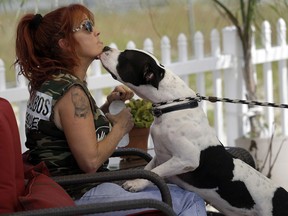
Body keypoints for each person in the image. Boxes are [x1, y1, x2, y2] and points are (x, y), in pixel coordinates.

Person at [15, 3, 207, 216]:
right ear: (65, 44)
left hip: (62, 190)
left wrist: (106, 108)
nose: (96, 31)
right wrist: (120, 127)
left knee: (173, 189)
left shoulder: (50, 84)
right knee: (189, 199)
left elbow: (67, 131)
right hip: (80, 194)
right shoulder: (72, 92)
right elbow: (90, 161)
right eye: (86, 27)